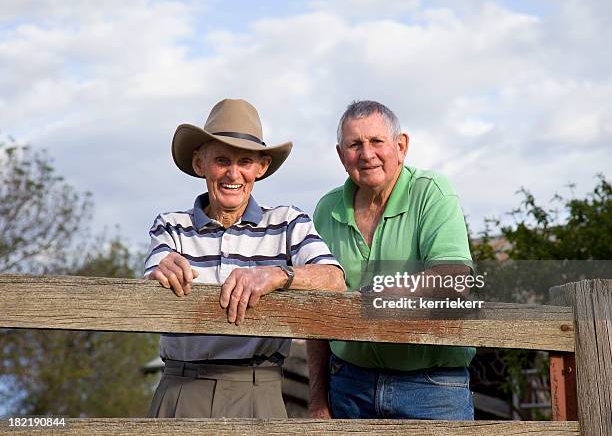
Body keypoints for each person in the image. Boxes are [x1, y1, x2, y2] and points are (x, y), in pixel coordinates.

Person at [144, 98, 346, 418]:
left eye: (245, 162)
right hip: (181, 386)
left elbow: (334, 279)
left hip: (258, 388)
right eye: (221, 160)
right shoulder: (170, 225)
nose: (233, 173)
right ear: (200, 164)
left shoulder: (288, 221)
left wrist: (279, 275)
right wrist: (161, 270)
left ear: (261, 167)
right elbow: (155, 269)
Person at [307, 100, 474, 420]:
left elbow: (453, 280)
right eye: (354, 144)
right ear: (342, 156)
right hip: (349, 385)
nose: (366, 154)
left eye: (376, 141)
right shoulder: (326, 209)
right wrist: (317, 398)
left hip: (430, 387)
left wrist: (376, 295)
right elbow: (315, 310)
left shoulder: (432, 192)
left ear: (401, 146)